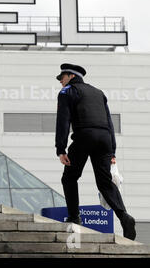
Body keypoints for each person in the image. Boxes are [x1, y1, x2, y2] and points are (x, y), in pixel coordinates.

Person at [55, 63, 136, 240]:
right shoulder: (99, 93)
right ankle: (124, 217)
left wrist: (60, 149)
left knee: (69, 177)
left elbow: (63, 121)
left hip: (85, 136)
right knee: (105, 182)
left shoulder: (67, 92)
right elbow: (109, 122)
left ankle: (75, 217)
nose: (60, 80)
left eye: (62, 77)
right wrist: (112, 151)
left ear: (71, 76)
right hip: (105, 139)